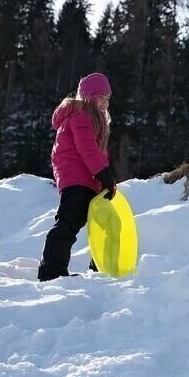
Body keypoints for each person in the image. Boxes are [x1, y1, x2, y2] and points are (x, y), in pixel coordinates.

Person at [37, 72, 117, 282]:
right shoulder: (81, 116)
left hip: (90, 180)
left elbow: (98, 155)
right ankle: (51, 271)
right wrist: (103, 174)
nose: (105, 102)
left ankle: (101, 268)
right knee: (69, 222)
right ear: (89, 97)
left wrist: (102, 181)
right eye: (100, 97)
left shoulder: (96, 119)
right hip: (76, 180)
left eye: (108, 98)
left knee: (106, 223)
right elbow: (87, 149)